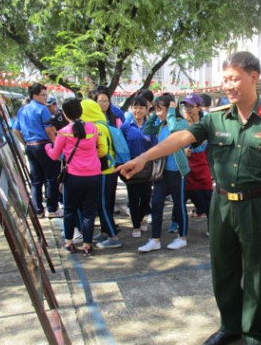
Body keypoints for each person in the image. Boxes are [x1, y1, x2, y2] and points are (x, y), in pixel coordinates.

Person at [116, 51, 261, 345]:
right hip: (222, 204)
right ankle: (230, 325)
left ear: (254, 77)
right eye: (225, 79)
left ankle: (256, 336)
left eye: (234, 78)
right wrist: (142, 158)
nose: (228, 85)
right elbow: (181, 138)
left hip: (258, 206)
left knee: (256, 274)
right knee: (224, 270)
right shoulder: (215, 118)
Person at [45, 98, 101, 256]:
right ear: (81, 111)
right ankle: (87, 245)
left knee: (69, 210)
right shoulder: (93, 128)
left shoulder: (64, 132)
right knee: (89, 212)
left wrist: (47, 147)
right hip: (94, 175)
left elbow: (55, 155)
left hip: (74, 177)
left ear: (65, 113)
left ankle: (69, 243)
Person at [137, 93, 190, 252]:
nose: (159, 113)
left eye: (161, 109)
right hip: (162, 172)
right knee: (157, 203)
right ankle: (155, 239)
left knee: (179, 205)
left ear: (171, 107)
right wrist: (154, 113)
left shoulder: (181, 122)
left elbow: (174, 130)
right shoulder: (160, 124)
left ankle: (182, 237)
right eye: (156, 110)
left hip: (177, 171)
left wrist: (172, 112)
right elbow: (146, 129)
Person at [12, 83, 62, 218]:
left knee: (36, 179)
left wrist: (26, 143)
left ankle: (38, 210)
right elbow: (48, 129)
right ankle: (52, 208)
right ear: (34, 95)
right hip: (44, 145)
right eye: (43, 95)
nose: (45, 98)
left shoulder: (22, 110)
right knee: (51, 177)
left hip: (30, 146)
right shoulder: (42, 109)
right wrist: (55, 143)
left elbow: (16, 130)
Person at [80, 99, 122, 248]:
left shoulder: (96, 127)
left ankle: (113, 236)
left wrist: (88, 154)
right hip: (110, 170)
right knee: (107, 204)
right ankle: (105, 232)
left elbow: (102, 150)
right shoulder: (102, 124)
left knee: (102, 205)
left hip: (104, 171)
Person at [119, 96, 153, 238]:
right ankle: (136, 225)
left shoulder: (151, 127)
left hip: (147, 167)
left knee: (146, 197)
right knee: (133, 198)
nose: (137, 110)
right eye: (135, 107)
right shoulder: (125, 127)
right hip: (131, 167)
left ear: (146, 109)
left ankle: (142, 217)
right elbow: (120, 147)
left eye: (141, 107)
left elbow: (155, 146)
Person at [181, 93, 213, 234]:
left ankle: (212, 228)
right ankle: (178, 227)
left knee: (208, 199)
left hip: (202, 166)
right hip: (184, 169)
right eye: (184, 106)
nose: (187, 109)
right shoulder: (180, 124)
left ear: (198, 108)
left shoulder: (206, 124)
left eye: (190, 106)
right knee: (180, 199)